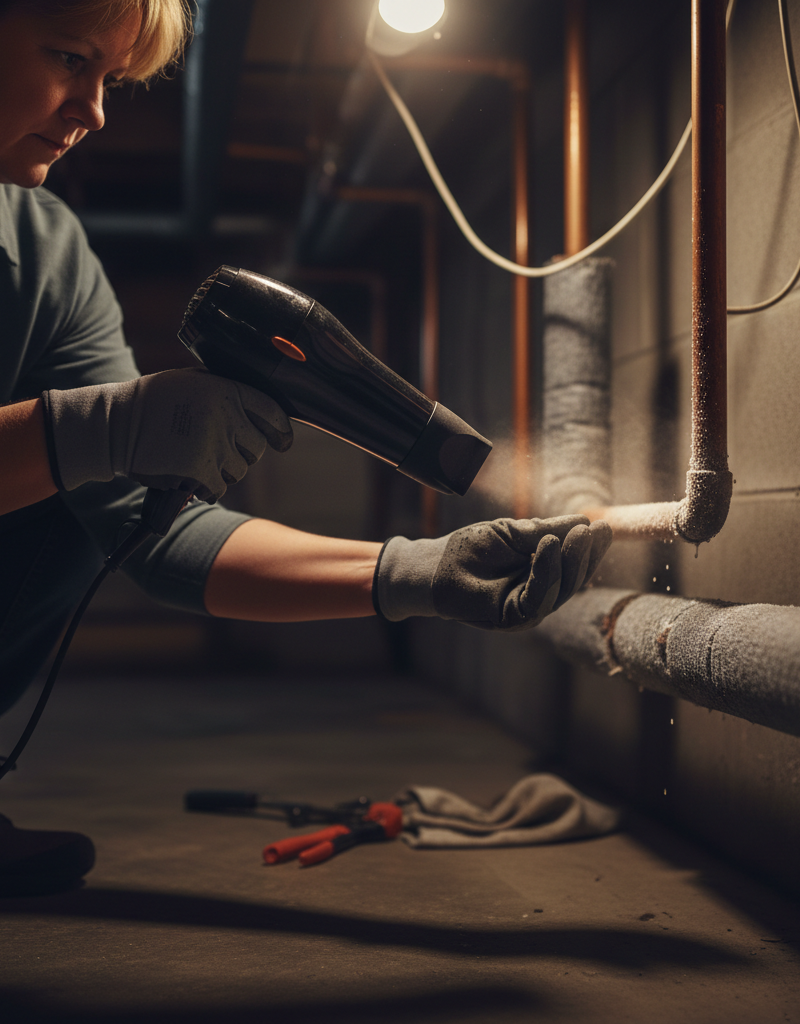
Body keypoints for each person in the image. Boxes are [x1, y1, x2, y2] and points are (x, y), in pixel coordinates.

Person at [0, 0, 611, 895]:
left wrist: (418, 574)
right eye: (67, 56)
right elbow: (91, 440)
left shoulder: (47, 252)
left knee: (76, 496)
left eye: (110, 78)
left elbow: (151, 530)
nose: (93, 110)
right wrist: (97, 427)